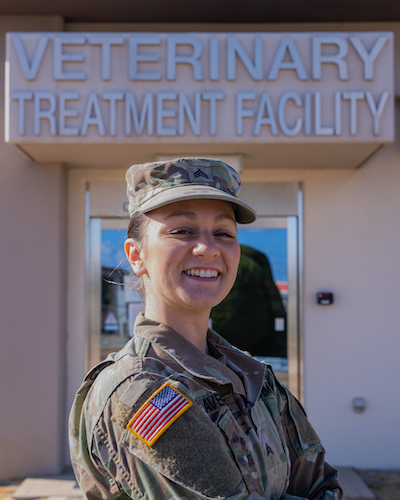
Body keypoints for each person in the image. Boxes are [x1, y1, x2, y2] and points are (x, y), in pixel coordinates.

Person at [69, 157, 343, 500]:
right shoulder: (142, 391)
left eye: (223, 233)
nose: (208, 248)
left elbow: (324, 486)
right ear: (136, 256)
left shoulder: (255, 377)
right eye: (182, 230)